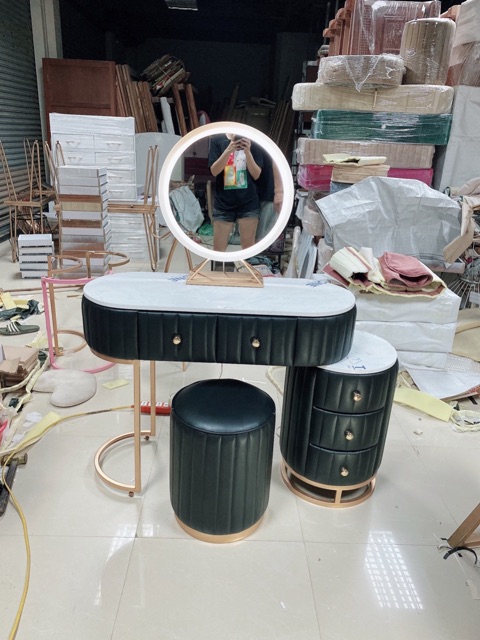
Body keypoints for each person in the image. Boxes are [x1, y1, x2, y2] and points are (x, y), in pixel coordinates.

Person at [208, 133, 264, 252]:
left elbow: (256, 174)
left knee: (248, 250)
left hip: (249, 202)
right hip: (223, 202)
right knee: (218, 250)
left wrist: (247, 152)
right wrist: (229, 150)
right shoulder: (217, 141)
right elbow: (214, 171)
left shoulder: (253, 140)